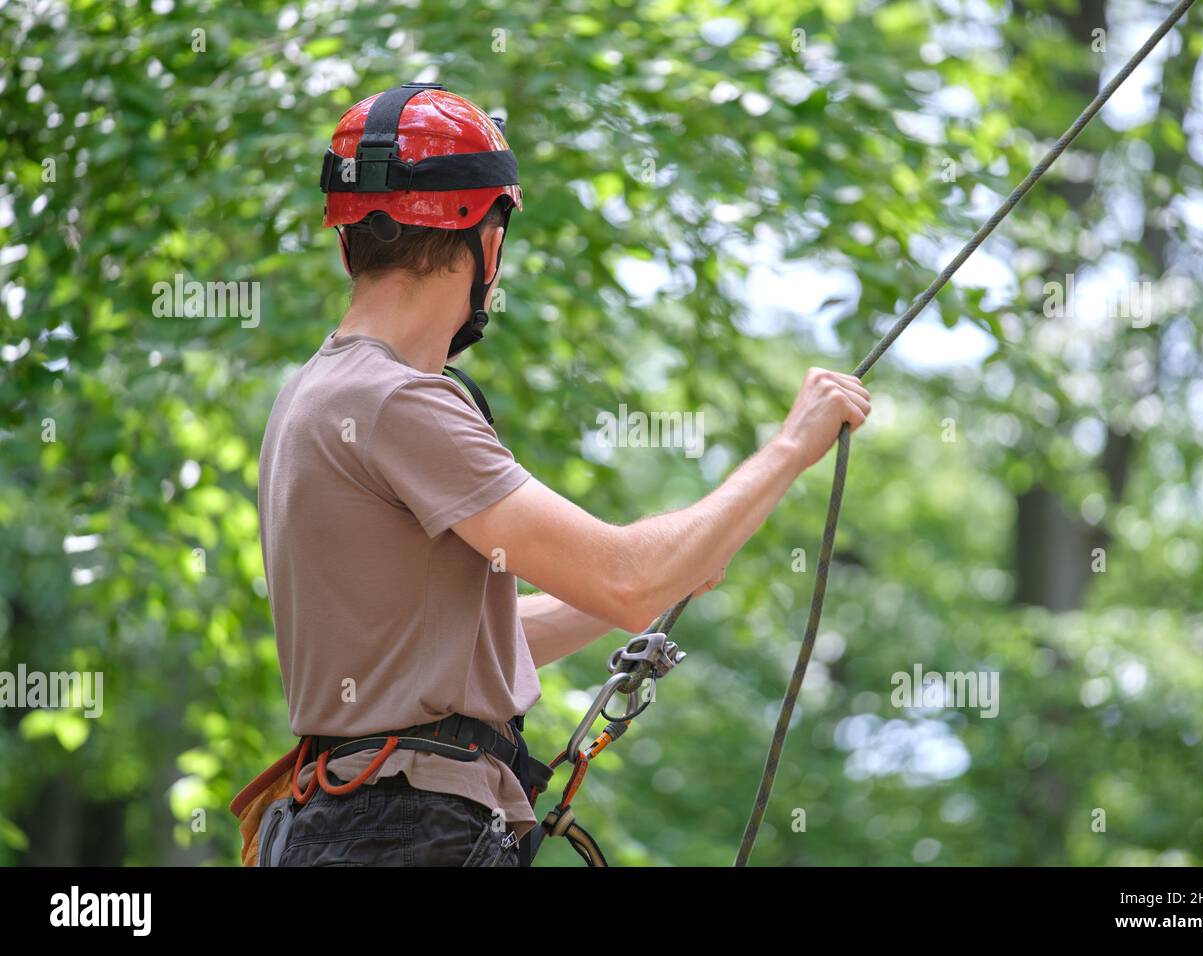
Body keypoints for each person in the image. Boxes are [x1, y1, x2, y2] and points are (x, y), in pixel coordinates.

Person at [257, 82, 872, 867]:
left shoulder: (320, 391)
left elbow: (459, 647)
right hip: (405, 834)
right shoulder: (395, 403)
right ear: (485, 234)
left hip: (361, 826)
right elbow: (626, 579)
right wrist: (790, 447)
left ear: (349, 238)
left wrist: (663, 575)